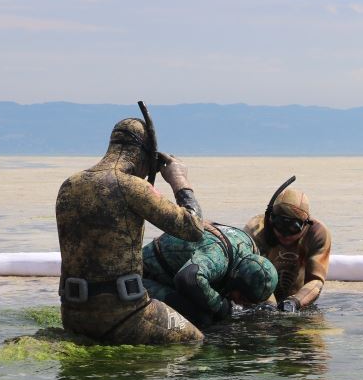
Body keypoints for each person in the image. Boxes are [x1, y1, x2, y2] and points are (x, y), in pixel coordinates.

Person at [56, 111, 205, 344]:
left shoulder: (70, 184)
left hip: (72, 314)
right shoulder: (132, 187)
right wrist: (180, 181)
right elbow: (193, 229)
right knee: (196, 340)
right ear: (143, 155)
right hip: (126, 315)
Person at [142, 223, 278, 327]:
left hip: (176, 272)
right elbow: (187, 278)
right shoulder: (217, 257)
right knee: (201, 318)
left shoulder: (251, 249)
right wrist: (220, 306)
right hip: (142, 276)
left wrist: (270, 308)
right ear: (236, 280)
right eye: (242, 298)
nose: (241, 303)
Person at [244, 179, 332, 312]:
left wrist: (294, 302)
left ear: (306, 224)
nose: (284, 234)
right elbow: (254, 274)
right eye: (279, 224)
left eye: (293, 227)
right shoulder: (256, 230)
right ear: (270, 219)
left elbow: (316, 280)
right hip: (260, 299)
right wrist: (269, 305)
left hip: (299, 300)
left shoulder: (317, 233)